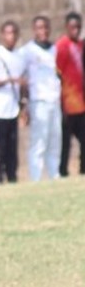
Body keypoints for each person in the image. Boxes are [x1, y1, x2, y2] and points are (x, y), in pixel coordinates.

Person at [0, 21, 27, 184]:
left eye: (14, 33)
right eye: (8, 33)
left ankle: (12, 177)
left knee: (12, 148)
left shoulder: (20, 56)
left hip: (12, 109)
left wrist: (23, 106)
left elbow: (22, 84)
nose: (12, 37)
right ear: (2, 34)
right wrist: (8, 80)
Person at [20, 16, 62, 181]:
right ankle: (36, 177)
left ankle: (54, 174)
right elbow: (22, 78)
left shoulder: (54, 49)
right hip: (38, 102)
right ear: (34, 30)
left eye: (45, 27)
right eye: (39, 28)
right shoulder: (28, 51)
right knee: (39, 141)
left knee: (55, 139)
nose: (43, 31)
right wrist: (24, 105)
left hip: (54, 100)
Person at [56, 12, 84, 176]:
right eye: (73, 27)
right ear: (67, 27)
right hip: (67, 103)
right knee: (65, 143)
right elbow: (57, 75)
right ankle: (62, 172)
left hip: (81, 102)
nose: (76, 30)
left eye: (78, 27)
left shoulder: (81, 46)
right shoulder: (62, 47)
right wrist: (61, 103)